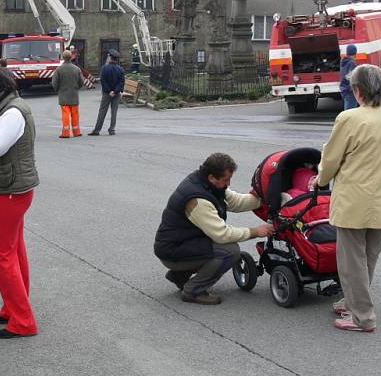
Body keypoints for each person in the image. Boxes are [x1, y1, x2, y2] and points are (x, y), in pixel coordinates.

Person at [312, 64, 381, 332]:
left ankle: (362, 316)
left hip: (355, 199)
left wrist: (319, 180)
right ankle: (353, 301)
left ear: (358, 90)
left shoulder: (350, 118)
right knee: (369, 255)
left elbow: (330, 159)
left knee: (352, 261)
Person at [154, 153, 274, 305]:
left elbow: (236, 202)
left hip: (184, 243)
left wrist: (264, 198)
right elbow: (222, 234)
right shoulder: (198, 199)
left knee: (222, 247)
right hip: (173, 252)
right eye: (226, 180)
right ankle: (193, 291)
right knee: (230, 251)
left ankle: (180, 276)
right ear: (212, 177)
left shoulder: (208, 184)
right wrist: (256, 232)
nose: (228, 183)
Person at [0, 66, 39, 339]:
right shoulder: (14, 106)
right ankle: (13, 309)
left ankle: (23, 321)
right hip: (15, 188)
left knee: (0, 254)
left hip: (12, 190)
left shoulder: (11, 112)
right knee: (14, 252)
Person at [88, 49, 125, 136]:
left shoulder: (104, 68)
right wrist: (115, 91)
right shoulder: (120, 69)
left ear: (110, 57)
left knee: (102, 111)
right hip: (116, 94)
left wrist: (109, 91)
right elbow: (122, 82)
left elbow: (103, 81)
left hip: (106, 94)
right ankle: (112, 129)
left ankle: (97, 130)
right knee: (114, 112)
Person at [51, 49, 84, 138]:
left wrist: (58, 90)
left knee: (65, 114)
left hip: (63, 96)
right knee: (75, 114)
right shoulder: (76, 69)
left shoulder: (59, 69)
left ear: (63, 57)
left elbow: (54, 83)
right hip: (74, 95)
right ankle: (76, 132)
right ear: (71, 57)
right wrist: (76, 88)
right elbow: (81, 82)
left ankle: (65, 133)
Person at [339, 44, 358, 110]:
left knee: (347, 110)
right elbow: (352, 77)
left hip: (344, 88)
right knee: (350, 111)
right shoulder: (352, 63)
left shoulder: (343, 62)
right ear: (355, 53)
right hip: (350, 90)